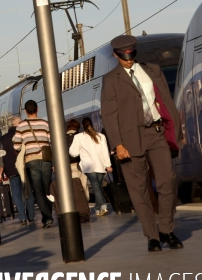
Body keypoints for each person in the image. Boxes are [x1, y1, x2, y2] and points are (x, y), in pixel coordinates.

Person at [101, 34, 184, 253]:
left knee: (167, 181)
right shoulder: (110, 80)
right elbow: (109, 115)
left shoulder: (153, 71)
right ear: (116, 54)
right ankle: (152, 236)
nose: (128, 60)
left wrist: (175, 131)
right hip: (129, 140)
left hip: (155, 133)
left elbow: (167, 102)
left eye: (131, 55)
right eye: (124, 56)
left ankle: (166, 229)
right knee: (139, 191)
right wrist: (118, 144)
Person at [13, 100, 53, 228]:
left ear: (25, 111)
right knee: (47, 189)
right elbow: (51, 140)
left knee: (38, 191)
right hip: (46, 159)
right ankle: (48, 216)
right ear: (37, 109)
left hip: (31, 160)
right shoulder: (45, 123)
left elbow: (16, 145)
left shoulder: (21, 126)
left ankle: (47, 218)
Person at [69, 117, 111, 216]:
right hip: (101, 166)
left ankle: (99, 206)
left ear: (82, 126)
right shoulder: (101, 136)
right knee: (97, 186)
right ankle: (101, 206)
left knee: (97, 187)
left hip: (88, 166)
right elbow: (105, 152)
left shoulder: (78, 137)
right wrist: (108, 165)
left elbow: (73, 153)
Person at [0, 116, 35, 225]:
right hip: (25, 168)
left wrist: (1, 172)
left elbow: (1, 159)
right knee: (28, 192)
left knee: (17, 194)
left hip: (11, 170)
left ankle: (22, 218)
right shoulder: (24, 135)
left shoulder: (3, 139)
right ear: (19, 124)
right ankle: (31, 216)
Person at [66, 119, 89, 198]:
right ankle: (85, 202)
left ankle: (78, 204)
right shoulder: (81, 136)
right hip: (82, 165)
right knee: (83, 185)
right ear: (78, 127)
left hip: (69, 165)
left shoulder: (62, 138)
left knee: (75, 187)